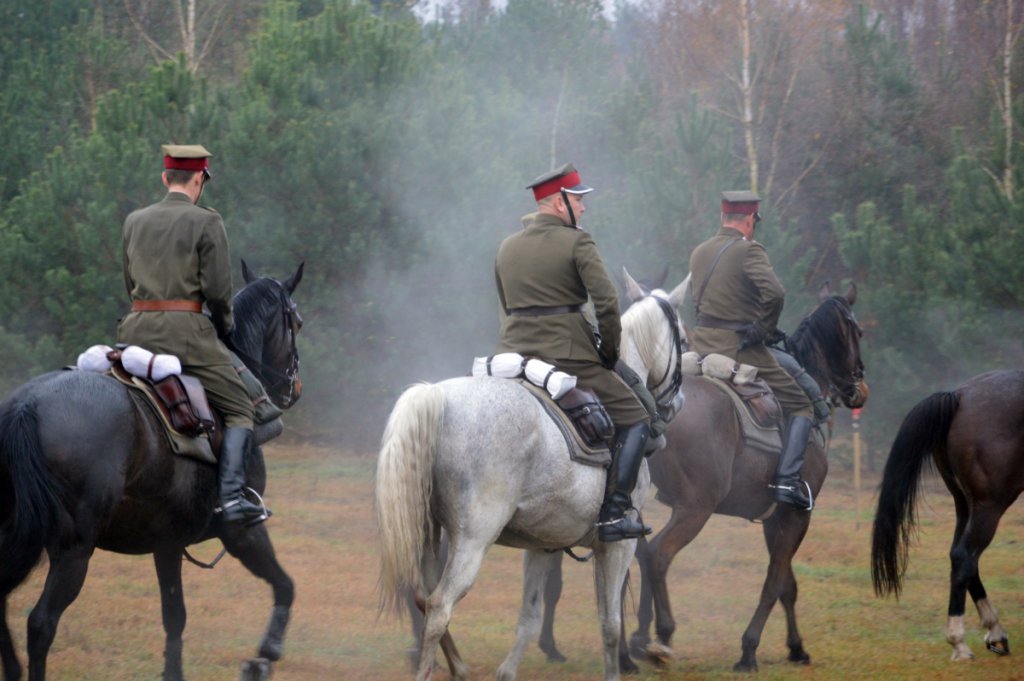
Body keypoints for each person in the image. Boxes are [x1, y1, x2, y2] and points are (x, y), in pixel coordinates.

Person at [494, 162, 652, 541]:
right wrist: (610, 354)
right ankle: (614, 514)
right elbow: (607, 303)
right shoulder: (578, 241)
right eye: (578, 200)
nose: (583, 208)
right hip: (569, 355)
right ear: (558, 203)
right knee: (637, 417)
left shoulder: (506, 247)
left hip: (513, 355)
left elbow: (504, 305)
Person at [117, 144, 268, 526]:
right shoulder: (207, 221)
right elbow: (218, 292)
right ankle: (232, 499)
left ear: (165, 178)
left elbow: (129, 280)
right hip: (186, 335)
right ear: (199, 179)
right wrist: (225, 328)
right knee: (240, 409)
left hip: (134, 330)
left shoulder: (134, 220)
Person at [688, 190, 815, 510]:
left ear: (722, 218)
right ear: (749, 220)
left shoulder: (699, 251)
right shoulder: (749, 251)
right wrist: (763, 329)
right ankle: (787, 480)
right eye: (753, 222)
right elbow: (775, 293)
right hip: (738, 349)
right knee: (802, 406)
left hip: (700, 346)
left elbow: (696, 298)